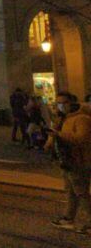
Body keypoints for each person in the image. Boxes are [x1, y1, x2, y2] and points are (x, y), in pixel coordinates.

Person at [48, 92, 91, 234]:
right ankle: (68, 218)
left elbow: (81, 139)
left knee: (81, 193)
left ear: (72, 103)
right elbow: (55, 136)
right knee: (71, 191)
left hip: (80, 161)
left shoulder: (82, 119)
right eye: (58, 103)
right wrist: (49, 142)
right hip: (66, 161)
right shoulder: (62, 119)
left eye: (63, 102)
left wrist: (59, 134)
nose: (60, 106)